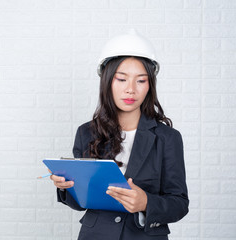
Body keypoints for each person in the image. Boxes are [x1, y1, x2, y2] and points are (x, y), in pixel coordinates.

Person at [49, 29, 189, 240]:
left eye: (141, 81)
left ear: (150, 85)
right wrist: (65, 187)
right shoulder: (86, 132)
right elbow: (79, 203)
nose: (131, 89)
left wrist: (146, 203)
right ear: (107, 82)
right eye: (121, 79)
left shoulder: (168, 138)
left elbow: (179, 203)